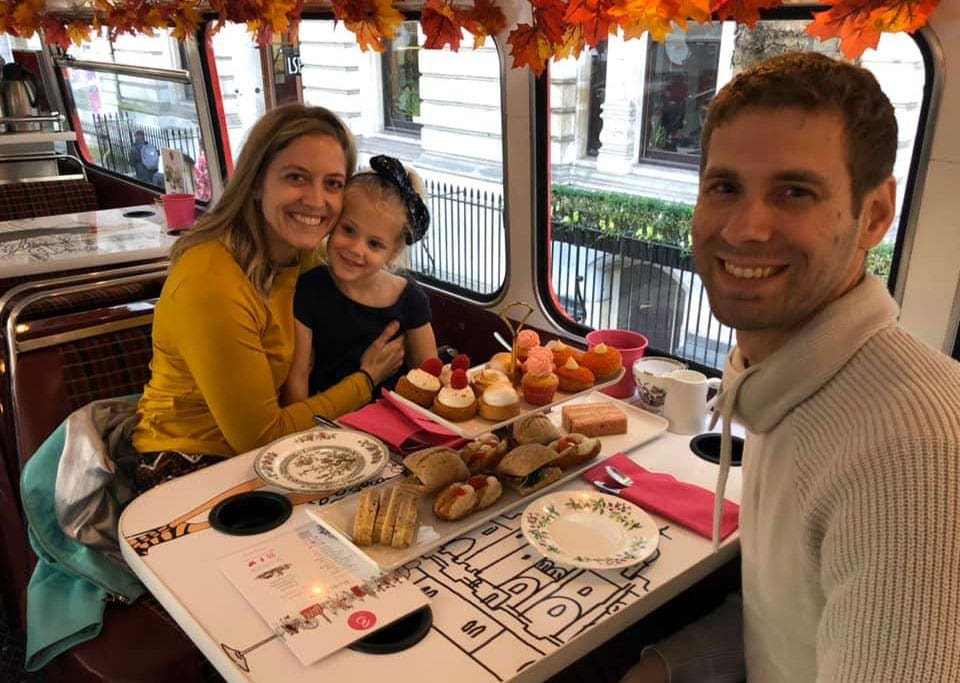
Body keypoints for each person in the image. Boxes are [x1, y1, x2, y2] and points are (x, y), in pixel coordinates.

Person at [621, 52, 960, 682]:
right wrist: (666, 669)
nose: (747, 229)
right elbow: (795, 621)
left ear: (876, 216)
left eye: (795, 192)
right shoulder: (782, 384)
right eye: (725, 187)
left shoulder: (914, 455)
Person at [131, 105, 404, 492]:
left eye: (333, 183)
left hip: (277, 451)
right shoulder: (210, 281)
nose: (316, 201)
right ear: (257, 181)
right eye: (297, 177)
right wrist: (366, 380)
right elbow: (261, 437)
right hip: (192, 464)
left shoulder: (303, 254)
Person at [282, 155, 437, 403]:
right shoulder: (310, 290)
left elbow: (430, 378)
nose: (356, 249)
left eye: (374, 244)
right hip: (330, 422)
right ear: (333, 223)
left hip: (395, 423)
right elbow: (297, 381)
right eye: (349, 230)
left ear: (393, 253)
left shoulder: (411, 300)